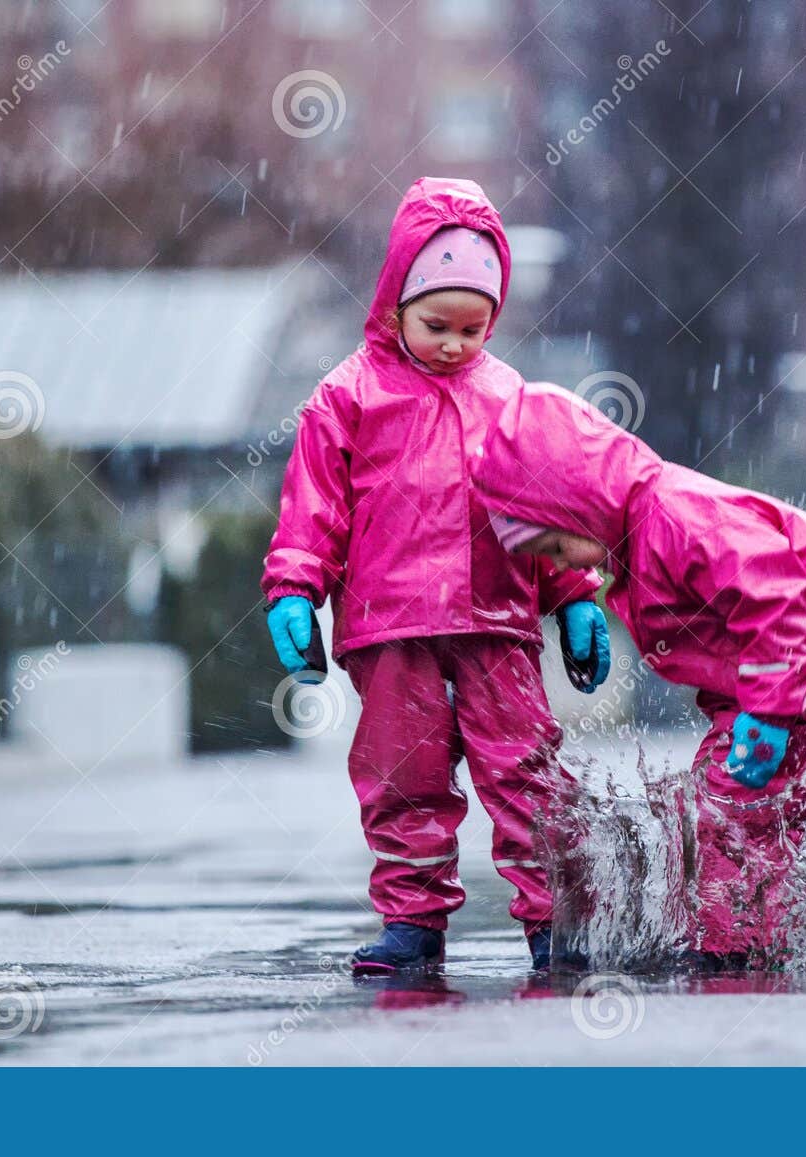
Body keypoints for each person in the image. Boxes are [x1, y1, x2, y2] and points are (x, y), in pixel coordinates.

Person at [261, 179, 611, 975]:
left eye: (473, 326)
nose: (456, 343)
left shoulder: (511, 398)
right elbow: (312, 509)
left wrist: (575, 599)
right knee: (403, 777)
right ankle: (412, 922)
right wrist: (292, 589)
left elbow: (547, 510)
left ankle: (555, 923)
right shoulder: (346, 398)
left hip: (497, 622)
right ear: (395, 302)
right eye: (436, 324)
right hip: (391, 628)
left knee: (527, 775)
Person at [473, 383, 806, 967]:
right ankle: (764, 934)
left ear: (576, 502)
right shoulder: (639, 539)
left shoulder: (673, 516)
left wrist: (766, 715)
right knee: (730, 815)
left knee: (726, 816)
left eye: (555, 546)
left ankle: (733, 951)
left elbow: (773, 597)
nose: (561, 566)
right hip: (789, 683)